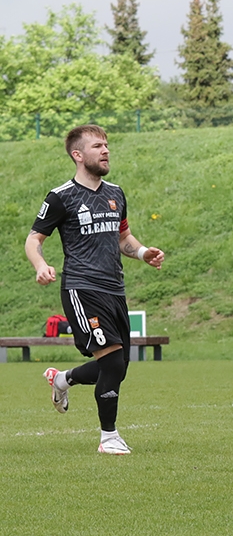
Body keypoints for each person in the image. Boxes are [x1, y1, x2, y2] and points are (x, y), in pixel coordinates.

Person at [25, 124, 165, 455]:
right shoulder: (61, 197)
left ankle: (63, 379)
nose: (106, 150)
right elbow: (34, 239)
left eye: (107, 145)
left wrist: (144, 252)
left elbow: (122, 238)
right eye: (97, 146)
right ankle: (109, 438)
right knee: (112, 365)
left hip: (114, 289)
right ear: (78, 155)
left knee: (117, 367)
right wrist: (40, 265)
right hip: (81, 287)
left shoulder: (116, 192)